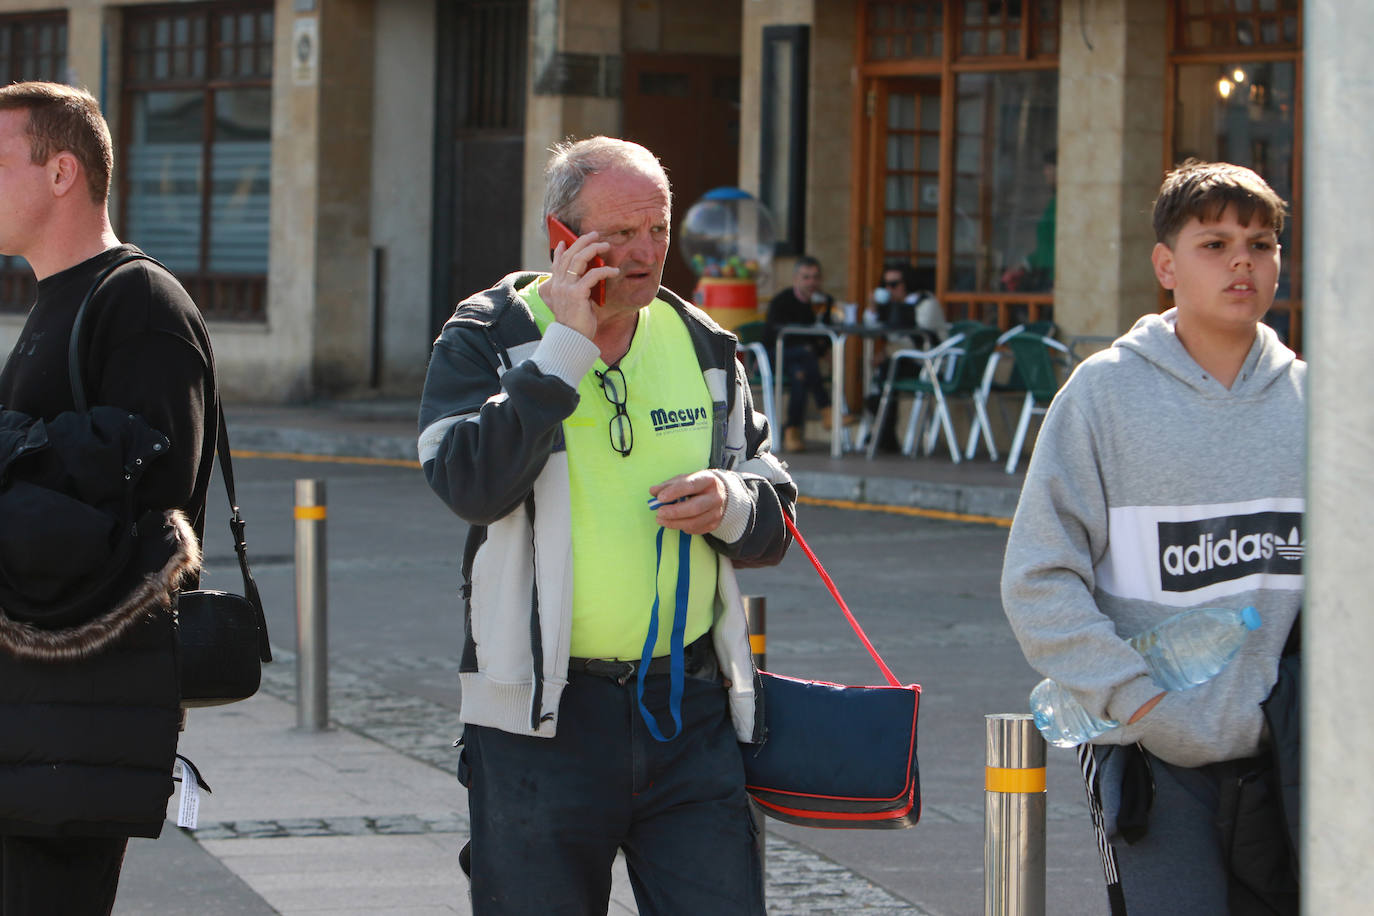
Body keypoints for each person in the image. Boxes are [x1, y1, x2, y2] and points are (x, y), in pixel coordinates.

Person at [417, 136, 795, 915]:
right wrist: (564, 348)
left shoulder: (702, 344)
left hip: (686, 706)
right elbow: (469, 484)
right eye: (621, 234)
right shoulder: (487, 336)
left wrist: (731, 502)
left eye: (657, 230)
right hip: (537, 719)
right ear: (562, 237)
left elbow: (776, 512)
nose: (647, 253)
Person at [1000, 159, 1302, 915]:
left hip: (1294, 758)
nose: (1242, 262)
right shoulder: (1103, 395)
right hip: (1149, 762)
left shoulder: (1316, 402)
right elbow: (1038, 578)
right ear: (1166, 266)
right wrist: (1138, 703)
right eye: (1215, 244)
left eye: (1261, 244)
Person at [0, 82, 217, 912]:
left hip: (79, 707)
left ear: (61, 172)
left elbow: (151, 502)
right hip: (34, 702)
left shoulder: (140, 301)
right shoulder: (59, 297)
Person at [864, 262, 947, 453]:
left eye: (894, 284)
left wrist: (887, 351)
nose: (889, 290)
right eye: (885, 285)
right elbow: (871, 328)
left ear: (907, 283)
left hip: (929, 365)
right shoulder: (891, 305)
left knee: (886, 371)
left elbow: (918, 338)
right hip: (901, 362)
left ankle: (882, 430)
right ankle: (884, 431)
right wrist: (872, 308)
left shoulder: (927, 303)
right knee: (885, 372)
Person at [763, 255, 833, 452]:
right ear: (796, 279)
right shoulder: (782, 301)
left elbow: (825, 339)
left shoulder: (823, 302)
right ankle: (826, 408)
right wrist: (809, 346)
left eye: (815, 277)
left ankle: (792, 431)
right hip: (775, 356)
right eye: (806, 277)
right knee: (805, 354)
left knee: (800, 374)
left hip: (802, 362)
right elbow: (774, 336)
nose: (811, 282)